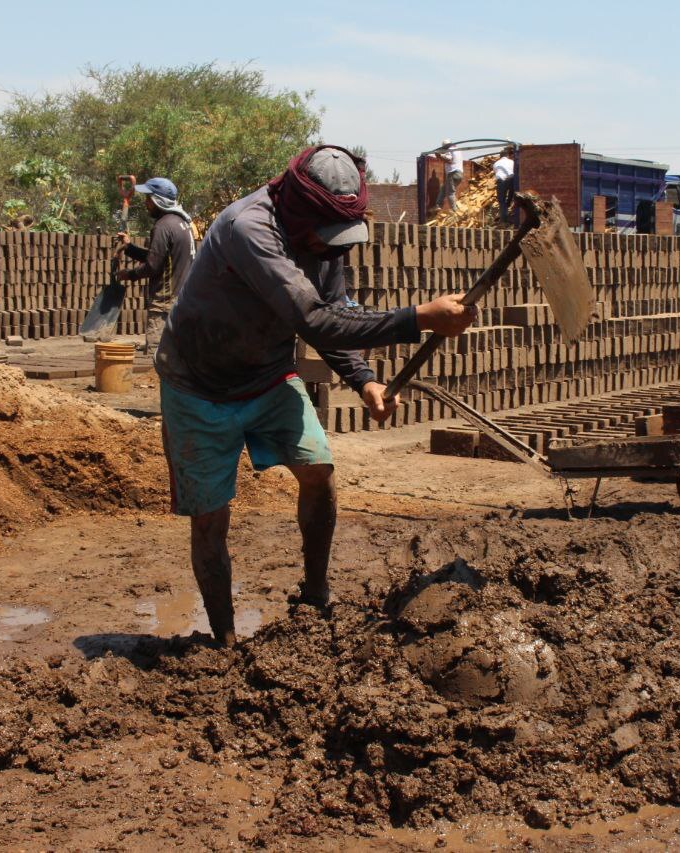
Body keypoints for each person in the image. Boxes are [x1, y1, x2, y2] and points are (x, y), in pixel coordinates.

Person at [155, 145, 477, 646]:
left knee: (319, 471)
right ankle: (223, 642)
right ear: (301, 213)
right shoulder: (251, 229)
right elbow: (313, 318)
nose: (332, 249)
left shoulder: (326, 241)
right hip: (198, 385)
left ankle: (315, 595)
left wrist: (364, 380)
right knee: (211, 516)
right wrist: (419, 318)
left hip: (266, 374)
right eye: (325, 238)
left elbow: (334, 310)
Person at [115, 177, 197, 353]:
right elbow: (160, 257)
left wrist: (129, 274)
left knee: (156, 356)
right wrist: (129, 247)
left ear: (158, 200)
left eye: (148, 199)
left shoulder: (163, 226)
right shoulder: (182, 224)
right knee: (175, 354)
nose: (146, 203)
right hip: (182, 300)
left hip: (164, 304)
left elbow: (152, 266)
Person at [437, 139, 464, 212]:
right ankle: (438, 205)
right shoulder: (458, 150)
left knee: (450, 193)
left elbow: (449, 160)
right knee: (444, 188)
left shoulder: (449, 150)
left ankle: (455, 211)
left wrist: (440, 156)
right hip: (459, 174)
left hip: (452, 173)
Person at [493, 147, 516, 224]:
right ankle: (509, 204)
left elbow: (496, 172)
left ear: (500, 156)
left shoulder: (496, 163)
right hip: (511, 180)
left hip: (501, 182)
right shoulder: (512, 162)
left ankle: (504, 219)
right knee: (512, 195)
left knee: (501, 200)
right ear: (507, 156)